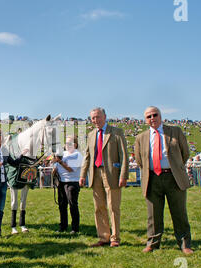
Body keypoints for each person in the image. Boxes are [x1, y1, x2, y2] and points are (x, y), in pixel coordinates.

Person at [134, 106, 193, 255]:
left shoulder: (175, 131)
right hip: (152, 179)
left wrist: (174, 167)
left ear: (161, 116)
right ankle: (153, 243)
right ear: (145, 120)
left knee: (179, 212)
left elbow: (185, 153)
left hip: (174, 178)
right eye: (149, 116)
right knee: (153, 215)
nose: (152, 118)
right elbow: (139, 160)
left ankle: (185, 244)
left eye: (155, 115)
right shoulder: (141, 137)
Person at [79, 107, 129, 247]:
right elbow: (87, 157)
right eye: (93, 118)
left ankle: (115, 238)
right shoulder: (90, 135)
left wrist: (123, 175)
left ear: (105, 116)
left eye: (98, 117)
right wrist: (83, 175)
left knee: (113, 207)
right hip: (95, 175)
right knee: (98, 207)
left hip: (112, 175)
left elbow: (124, 155)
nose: (95, 120)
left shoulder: (116, 132)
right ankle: (103, 237)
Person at [53, 135, 83, 234]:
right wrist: (55, 167)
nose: (66, 145)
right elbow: (56, 165)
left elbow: (71, 169)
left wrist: (60, 162)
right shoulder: (63, 153)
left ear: (75, 144)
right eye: (65, 143)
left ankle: (75, 228)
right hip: (61, 182)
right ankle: (63, 226)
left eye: (69, 143)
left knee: (72, 205)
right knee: (62, 205)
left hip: (72, 182)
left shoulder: (77, 155)